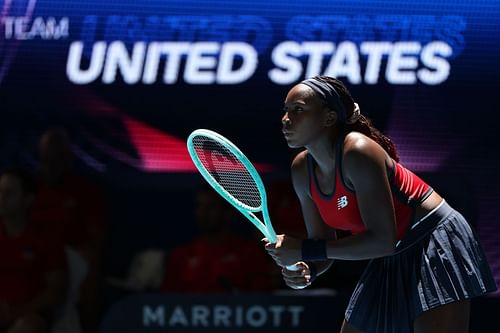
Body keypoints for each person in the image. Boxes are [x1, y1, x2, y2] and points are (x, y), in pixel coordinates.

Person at [263, 75, 497, 333]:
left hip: (434, 241)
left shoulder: (358, 152)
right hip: (391, 252)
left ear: (329, 118)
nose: (286, 119)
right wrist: (308, 268)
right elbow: (322, 241)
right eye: (286, 110)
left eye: (298, 110)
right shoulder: (301, 170)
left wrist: (306, 249)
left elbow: (380, 241)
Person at [31, 127, 107, 333]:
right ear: (40, 155)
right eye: (48, 155)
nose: (52, 162)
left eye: (58, 155)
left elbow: (95, 239)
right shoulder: (29, 188)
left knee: (89, 266)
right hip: (33, 255)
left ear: (68, 157)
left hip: (72, 257)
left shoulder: (86, 191)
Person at [161, 185, 280, 293]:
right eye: (199, 206)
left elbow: (261, 297)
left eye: (211, 207)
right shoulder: (180, 255)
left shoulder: (249, 254)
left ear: (228, 212)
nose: (202, 213)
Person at [0, 168, 67, 333]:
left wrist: (18, 310)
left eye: (9, 194)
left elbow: (56, 292)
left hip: (30, 314)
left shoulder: (46, 239)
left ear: (27, 199)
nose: (1, 199)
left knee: (28, 327)